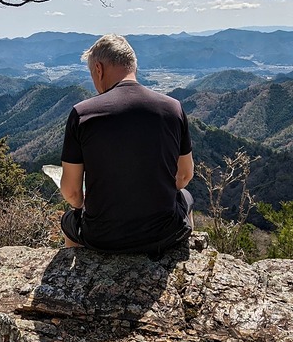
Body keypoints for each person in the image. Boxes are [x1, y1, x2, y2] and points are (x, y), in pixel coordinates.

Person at [59, 34, 195, 254]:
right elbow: (184, 177)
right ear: (133, 67)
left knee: (68, 220)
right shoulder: (173, 108)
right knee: (186, 197)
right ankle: (186, 256)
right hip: (164, 234)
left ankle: (80, 277)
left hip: (102, 238)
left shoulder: (82, 114)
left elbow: (73, 194)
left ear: (99, 69)